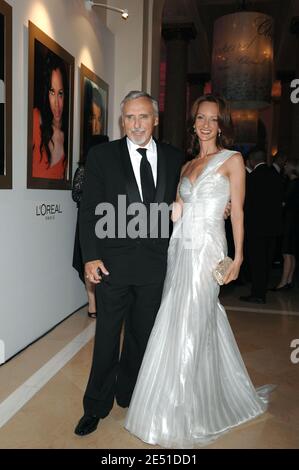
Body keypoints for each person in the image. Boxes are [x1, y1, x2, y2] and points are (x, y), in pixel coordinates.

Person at [125, 95, 273, 448]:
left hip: (208, 252)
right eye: (201, 118)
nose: (206, 124)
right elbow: (178, 208)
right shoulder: (187, 165)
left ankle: (184, 413)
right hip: (180, 250)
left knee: (193, 321)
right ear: (193, 123)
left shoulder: (233, 160)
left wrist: (237, 258)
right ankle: (171, 403)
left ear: (222, 124)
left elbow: (236, 212)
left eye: (214, 118)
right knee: (178, 321)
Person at [74, 91, 185, 436]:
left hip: (155, 265)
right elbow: (90, 208)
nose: (136, 125)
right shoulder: (102, 156)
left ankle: (130, 394)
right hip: (112, 264)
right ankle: (96, 405)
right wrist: (91, 255)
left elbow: (183, 203)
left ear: (155, 120)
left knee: (141, 336)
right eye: (129, 118)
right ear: (122, 121)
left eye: (143, 117)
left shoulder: (174, 157)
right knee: (107, 336)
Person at [72, 86, 109, 318]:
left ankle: (100, 303)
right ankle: (92, 305)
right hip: (87, 222)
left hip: (106, 221)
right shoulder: (84, 170)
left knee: (103, 262)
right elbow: (77, 195)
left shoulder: (108, 170)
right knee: (88, 260)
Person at [240, 149, 283, 303]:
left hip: (256, 228)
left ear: (251, 160)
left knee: (257, 262)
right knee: (266, 262)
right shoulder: (277, 176)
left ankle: (258, 294)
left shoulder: (251, 178)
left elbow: (246, 204)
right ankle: (261, 290)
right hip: (273, 227)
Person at [32, 52, 68, 179]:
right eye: (52, 92)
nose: (57, 104)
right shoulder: (34, 119)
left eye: (60, 93)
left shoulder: (68, 136)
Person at [271, 159, 299, 290]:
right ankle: (288, 281)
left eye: (287, 165)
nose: (285, 166)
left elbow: (284, 203)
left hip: (290, 221)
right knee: (291, 253)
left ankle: (283, 282)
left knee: (287, 252)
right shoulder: (294, 183)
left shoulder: (293, 184)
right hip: (294, 221)